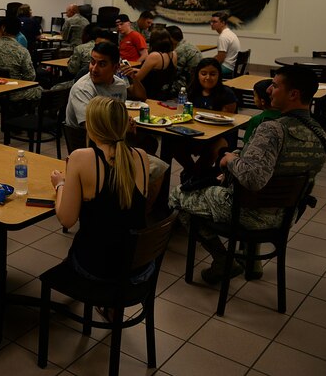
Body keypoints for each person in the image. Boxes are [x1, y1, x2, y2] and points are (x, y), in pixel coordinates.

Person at [170, 65, 326, 283]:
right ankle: (251, 258)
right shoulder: (319, 133)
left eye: (275, 86)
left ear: (293, 94)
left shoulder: (272, 129)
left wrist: (230, 159)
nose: (269, 91)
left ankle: (223, 260)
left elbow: (253, 179)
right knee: (252, 194)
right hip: (285, 216)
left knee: (178, 195)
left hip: (247, 214)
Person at [50, 96, 150, 282]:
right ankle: (113, 305)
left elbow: (66, 219)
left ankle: (104, 298)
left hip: (97, 269)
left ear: (92, 125)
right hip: (139, 268)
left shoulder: (81, 157)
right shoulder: (141, 156)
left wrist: (60, 184)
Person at [172, 58, 238, 181]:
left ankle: (196, 174)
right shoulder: (191, 91)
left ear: (219, 75)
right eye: (203, 74)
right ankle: (192, 171)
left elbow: (225, 120)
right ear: (198, 75)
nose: (208, 77)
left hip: (219, 135)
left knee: (216, 146)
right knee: (172, 142)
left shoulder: (227, 94)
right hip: (195, 131)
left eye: (213, 74)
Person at [65, 41, 145, 127]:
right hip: (86, 138)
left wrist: (125, 120)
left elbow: (140, 98)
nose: (94, 69)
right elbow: (91, 127)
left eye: (102, 64)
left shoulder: (120, 85)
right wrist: (122, 127)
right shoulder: (82, 89)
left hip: (111, 134)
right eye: (92, 62)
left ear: (116, 68)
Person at [0, 15, 42, 110]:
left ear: (2, 28)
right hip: (14, 92)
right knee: (39, 90)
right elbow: (30, 76)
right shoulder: (22, 50)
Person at [133, 28, 177, 100]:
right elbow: (161, 73)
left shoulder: (154, 56)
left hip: (149, 94)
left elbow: (137, 78)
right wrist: (138, 70)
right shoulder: (173, 54)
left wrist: (130, 74)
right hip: (164, 94)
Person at [242, 78, 281, 144]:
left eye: (254, 95)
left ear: (262, 101)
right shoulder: (288, 116)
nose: (253, 98)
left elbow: (247, 144)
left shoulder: (256, 120)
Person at [167, 25, 201, 90]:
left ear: (170, 38)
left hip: (189, 83)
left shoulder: (179, 50)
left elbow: (175, 72)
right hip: (195, 80)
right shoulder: (187, 44)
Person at [210, 11, 240, 77]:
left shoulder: (223, 37)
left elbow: (221, 58)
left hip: (227, 67)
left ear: (223, 23)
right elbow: (221, 55)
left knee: (202, 70)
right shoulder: (230, 33)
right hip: (232, 66)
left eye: (214, 22)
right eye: (211, 21)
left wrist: (210, 64)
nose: (211, 24)